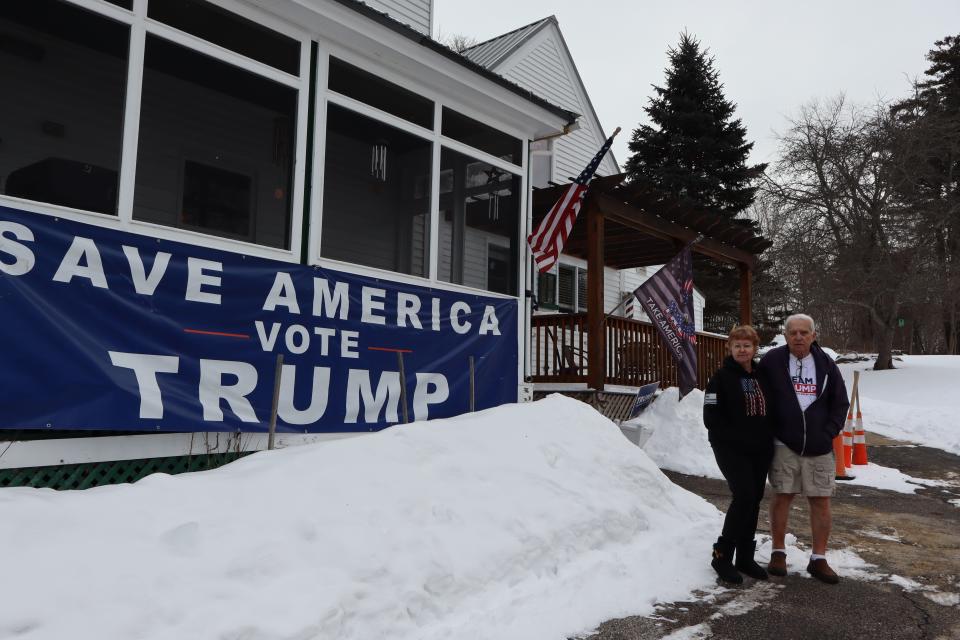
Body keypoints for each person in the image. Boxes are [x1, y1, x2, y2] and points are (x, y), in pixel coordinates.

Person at [757, 314, 849, 584]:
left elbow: (840, 402)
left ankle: (819, 558)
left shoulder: (826, 365)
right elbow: (759, 396)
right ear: (785, 335)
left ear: (813, 335)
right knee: (782, 495)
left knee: (820, 500)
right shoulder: (772, 361)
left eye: (803, 332)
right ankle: (778, 552)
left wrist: (829, 432)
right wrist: (770, 428)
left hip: (819, 447)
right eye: (793, 332)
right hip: (783, 444)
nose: (798, 337)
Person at [703, 325, 773, 584]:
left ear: (754, 348)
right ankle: (721, 556)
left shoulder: (761, 376)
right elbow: (710, 417)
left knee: (754, 499)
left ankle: (745, 557)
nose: (742, 350)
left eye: (747, 345)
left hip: (760, 450)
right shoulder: (720, 378)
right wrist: (737, 438)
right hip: (731, 449)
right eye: (737, 345)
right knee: (743, 496)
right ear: (729, 348)